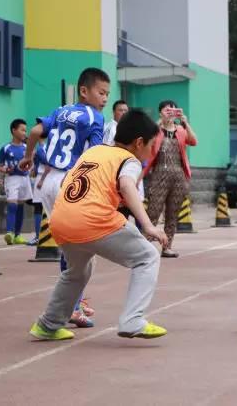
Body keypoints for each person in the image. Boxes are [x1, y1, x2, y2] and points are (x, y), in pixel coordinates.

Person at [28, 109, 169, 341]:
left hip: (61, 219)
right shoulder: (129, 160)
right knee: (148, 256)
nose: (152, 151)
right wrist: (149, 226)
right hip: (93, 219)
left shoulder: (94, 151)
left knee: (78, 271)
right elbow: (127, 186)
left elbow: (69, 180)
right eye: (152, 145)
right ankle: (133, 320)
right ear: (139, 142)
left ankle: (48, 324)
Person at [19, 67, 110, 328]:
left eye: (107, 94)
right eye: (101, 92)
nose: (104, 98)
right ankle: (72, 305)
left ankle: (74, 302)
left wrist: (28, 156)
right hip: (70, 183)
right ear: (84, 91)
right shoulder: (95, 117)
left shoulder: (60, 111)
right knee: (82, 249)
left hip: (47, 182)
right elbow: (94, 155)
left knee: (70, 246)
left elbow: (35, 132)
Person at [143, 100, 197, 258]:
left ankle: (167, 247)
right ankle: (144, 247)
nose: (171, 114)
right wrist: (161, 122)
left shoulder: (180, 130)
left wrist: (186, 123)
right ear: (160, 112)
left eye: (173, 111)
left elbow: (193, 141)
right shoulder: (156, 130)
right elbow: (146, 137)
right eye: (167, 111)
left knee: (172, 214)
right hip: (159, 173)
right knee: (153, 211)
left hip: (178, 175)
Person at [0, 119, 32, 245]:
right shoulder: (6, 148)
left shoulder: (26, 148)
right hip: (12, 179)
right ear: (14, 130)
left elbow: (31, 162)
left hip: (24, 178)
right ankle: (9, 233)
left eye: (25, 130)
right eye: (22, 130)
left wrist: (30, 165)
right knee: (12, 204)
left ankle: (17, 235)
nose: (25, 132)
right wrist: (5, 169)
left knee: (21, 205)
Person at [26, 139, 49, 246]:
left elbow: (48, 165)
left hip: (43, 177)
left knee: (39, 207)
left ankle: (38, 236)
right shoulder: (51, 145)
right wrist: (34, 169)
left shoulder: (41, 148)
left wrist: (42, 180)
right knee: (45, 207)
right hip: (46, 176)